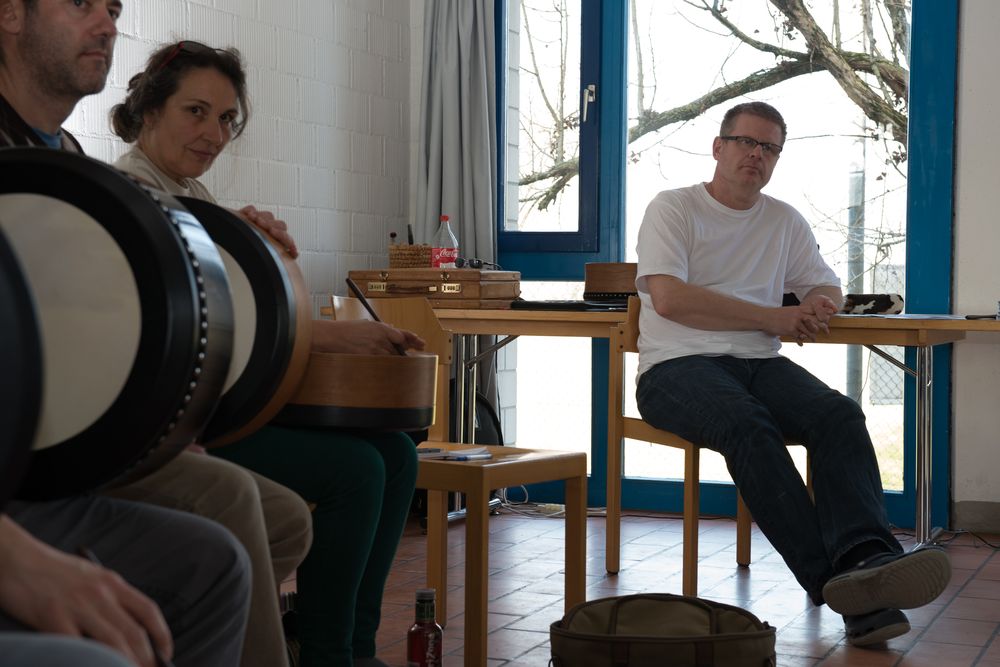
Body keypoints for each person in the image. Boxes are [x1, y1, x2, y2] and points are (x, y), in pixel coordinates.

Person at [0, 2, 312, 666]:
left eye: (113, 8)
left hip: (73, 444)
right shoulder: (72, 171)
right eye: (80, 3)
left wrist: (253, 256)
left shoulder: (70, 158)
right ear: (10, 14)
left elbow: (99, 323)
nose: (106, 23)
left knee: (284, 520)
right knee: (224, 528)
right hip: (32, 465)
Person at [110, 40, 425, 667]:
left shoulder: (189, 194)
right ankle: (327, 654)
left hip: (212, 413)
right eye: (196, 112)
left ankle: (353, 647)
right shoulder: (132, 196)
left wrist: (255, 245)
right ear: (150, 110)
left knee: (396, 454)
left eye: (226, 118)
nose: (214, 133)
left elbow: (242, 309)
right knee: (356, 470)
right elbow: (204, 331)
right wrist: (331, 334)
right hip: (171, 431)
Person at [633, 101, 952, 647]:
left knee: (838, 415)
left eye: (769, 148)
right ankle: (832, 581)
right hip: (675, 367)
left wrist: (819, 304)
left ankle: (865, 560)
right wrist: (773, 317)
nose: (756, 155)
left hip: (758, 362)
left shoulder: (783, 220)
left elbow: (824, 284)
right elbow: (669, 299)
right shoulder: (674, 207)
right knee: (748, 425)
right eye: (746, 142)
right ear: (718, 147)